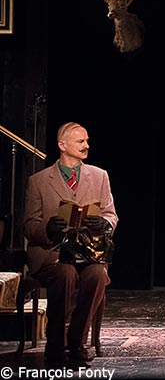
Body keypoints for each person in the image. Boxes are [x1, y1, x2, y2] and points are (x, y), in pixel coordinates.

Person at [23, 122, 118, 363]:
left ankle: (76, 339)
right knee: (65, 272)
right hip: (52, 251)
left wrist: (103, 223)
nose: (86, 145)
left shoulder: (99, 176)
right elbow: (29, 225)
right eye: (80, 141)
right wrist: (48, 228)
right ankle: (55, 342)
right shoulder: (39, 181)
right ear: (62, 145)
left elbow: (111, 214)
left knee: (97, 274)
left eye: (87, 141)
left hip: (87, 250)